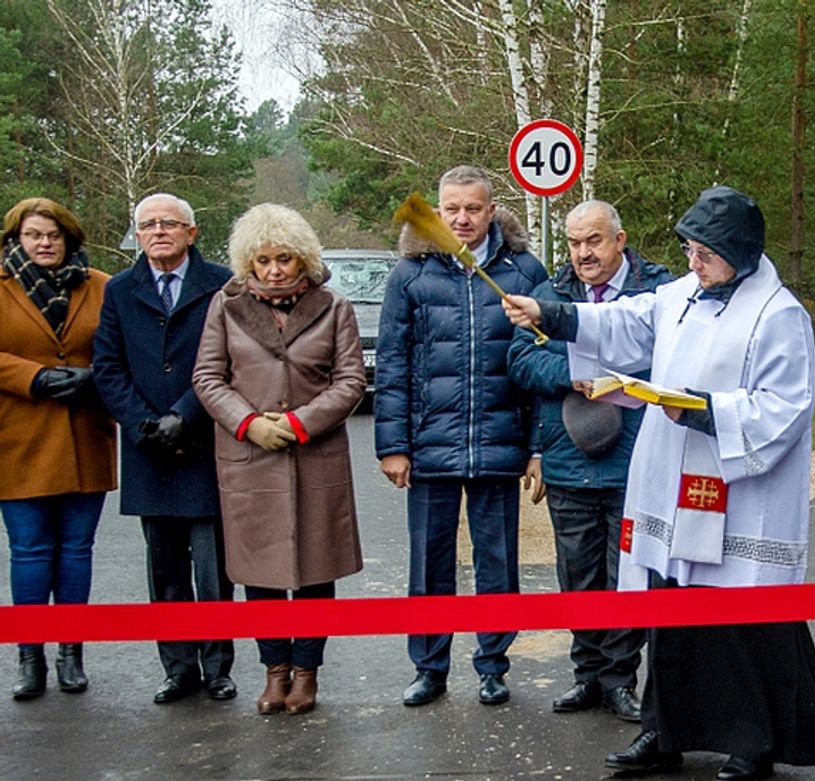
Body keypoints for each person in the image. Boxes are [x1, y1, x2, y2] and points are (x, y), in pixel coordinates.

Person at [503, 185, 815, 781]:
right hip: (674, 482)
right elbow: (623, 322)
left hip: (739, 494)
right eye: (688, 249)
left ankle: (753, 741)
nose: (692, 262)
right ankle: (663, 732)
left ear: (737, 249)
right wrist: (549, 313)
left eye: (704, 252)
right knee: (670, 608)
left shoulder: (778, 313)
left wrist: (707, 411)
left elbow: (786, 406)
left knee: (743, 623)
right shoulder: (682, 294)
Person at [375, 165, 548, 707]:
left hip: (500, 444)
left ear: (491, 210)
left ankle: (493, 664)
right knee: (429, 564)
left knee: (497, 563)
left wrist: (537, 445)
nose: (462, 218)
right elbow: (393, 365)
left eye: (473, 208)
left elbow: (543, 364)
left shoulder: (522, 271)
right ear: (438, 211)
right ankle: (430, 667)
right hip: (430, 447)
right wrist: (394, 445)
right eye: (451, 209)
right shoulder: (411, 274)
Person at [193, 203, 365, 715]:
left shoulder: (334, 307)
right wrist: (249, 423)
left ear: (302, 259)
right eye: (263, 259)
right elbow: (207, 377)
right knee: (261, 572)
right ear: (248, 261)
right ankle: (275, 672)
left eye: (284, 259)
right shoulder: (224, 308)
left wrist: (297, 423)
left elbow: (351, 380)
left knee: (316, 572)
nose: (274, 269)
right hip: (250, 457)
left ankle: (307, 673)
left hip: (316, 456)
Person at [506, 200, 671, 722]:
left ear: (620, 240)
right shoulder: (549, 294)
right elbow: (520, 358)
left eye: (594, 241)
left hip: (637, 456)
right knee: (577, 574)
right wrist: (571, 374)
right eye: (575, 243)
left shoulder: (658, 292)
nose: (583, 254)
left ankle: (622, 679)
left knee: (626, 573)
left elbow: (674, 356)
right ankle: (588, 676)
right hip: (567, 453)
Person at [93, 193, 236, 705]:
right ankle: (178, 668)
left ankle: (218, 667)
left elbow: (227, 359)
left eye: (169, 224)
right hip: (148, 446)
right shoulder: (119, 290)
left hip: (203, 440)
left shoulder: (221, 283)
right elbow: (107, 366)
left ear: (191, 233)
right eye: (147, 224)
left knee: (212, 566)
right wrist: (143, 424)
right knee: (165, 567)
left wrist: (186, 415)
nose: (158, 232)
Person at [0, 198, 116, 700]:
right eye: (33, 235)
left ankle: (72, 653)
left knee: (75, 551)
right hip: (18, 436)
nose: (44, 243)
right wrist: (36, 377)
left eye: (53, 235)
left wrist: (95, 378)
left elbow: (118, 347)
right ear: (16, 239)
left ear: (70, 239)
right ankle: (30, 656)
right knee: (29, 550)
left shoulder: (100, 285)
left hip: (84, 433)